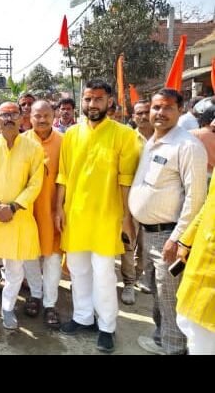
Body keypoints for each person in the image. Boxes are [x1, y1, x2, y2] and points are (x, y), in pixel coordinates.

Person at [56, 79, 140, 354]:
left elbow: (126, 180)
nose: (92, 104)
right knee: (78, 270)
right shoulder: (71, 134)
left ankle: (106, 326)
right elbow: (63, 175)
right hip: (75, 214)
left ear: (109, 102)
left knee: (104, 274)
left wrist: (127, 218)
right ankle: (83, 317)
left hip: (107, 216)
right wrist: (58, 208)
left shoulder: (124, 134)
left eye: (98, 99)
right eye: (88, 99)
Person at [129, 88, 207, 355]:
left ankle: (175, 348)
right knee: (156, 292)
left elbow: (196, 199)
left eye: (168, 107)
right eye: (156, 107)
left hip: (169, 236)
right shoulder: (152, 141)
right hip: (148, 233)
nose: (160, 113)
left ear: (180, 110)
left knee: (169, 297)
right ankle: (161, 339)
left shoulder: (188, 146)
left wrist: (178, 240)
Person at [0, 102, 44, 343]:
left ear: (22, 117)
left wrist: (12, 207)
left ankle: (8, 308)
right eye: (4, 114)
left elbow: (35, 183)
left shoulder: (33, 148)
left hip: (18, 216)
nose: (9, 118)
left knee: (15, 270)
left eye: (13, 114)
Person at [22, 100, 63, 328]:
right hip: (27, 209)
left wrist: (61, 208)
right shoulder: (21, 141)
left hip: (52, 209)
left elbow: (66, 177)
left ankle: (50, 303)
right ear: (30, 117)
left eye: (46, 115)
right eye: (37, 115)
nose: (42, 119)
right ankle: (35, 294)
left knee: (52, 257)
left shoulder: (63, 142)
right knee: (29, 254)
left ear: (53, 116)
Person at [175, 177, 215, 354]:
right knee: (189, 321)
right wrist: (186, 240)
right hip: (201, 258)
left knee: (202, 333)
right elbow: (210, 203)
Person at [121, 99, 155, 303]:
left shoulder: (164, 139)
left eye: (146, 112)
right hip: (131, 199)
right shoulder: (128, 139)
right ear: (133, 116)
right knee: (128, 241)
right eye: (139, 113)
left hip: (155, 202)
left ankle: (141, 274)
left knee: (146, 244)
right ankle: (128, 283)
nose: (143, 116)